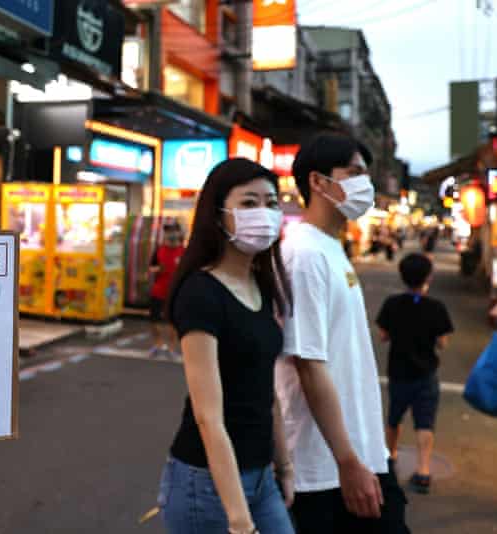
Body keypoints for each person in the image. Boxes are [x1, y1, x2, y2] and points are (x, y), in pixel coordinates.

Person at [275, 132, 411, 533]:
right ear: (317, 182)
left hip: (359, 454)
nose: (363, 185)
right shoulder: (303, 255)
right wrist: (348, 461)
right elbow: (309, 365)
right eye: (353, 173)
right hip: (325, 469)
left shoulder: (330, 248)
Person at [157, 158, 295, 534]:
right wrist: (239, 520)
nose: (264, 213)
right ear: (218, 216)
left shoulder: (261, 285)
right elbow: (208, 417)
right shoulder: (200, 294)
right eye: (249, 203)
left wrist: (284, 466)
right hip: (207, 486)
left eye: (271, 203)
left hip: (262, 476)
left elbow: (267, 391)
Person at [376, 253, 453, 495]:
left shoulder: (392, 304)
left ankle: (390, 457)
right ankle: (423, 470)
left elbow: (383, 335)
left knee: (394, 418)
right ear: (428, 277)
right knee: (424, 423)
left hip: (398, 371)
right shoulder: (436, 307)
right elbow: (442, 343)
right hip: (426, 374)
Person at [149, 220, 185, 358]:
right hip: (158, 292)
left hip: (176, 292)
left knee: (173, 322)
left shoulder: (184, 251)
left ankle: (172, 347)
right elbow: (151, 267)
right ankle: (157, 345)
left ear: (179, 233)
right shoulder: (159, 250)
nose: (171, 234)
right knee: (154, 321)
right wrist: (158, 269)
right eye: (168, 231)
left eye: (174, 231)